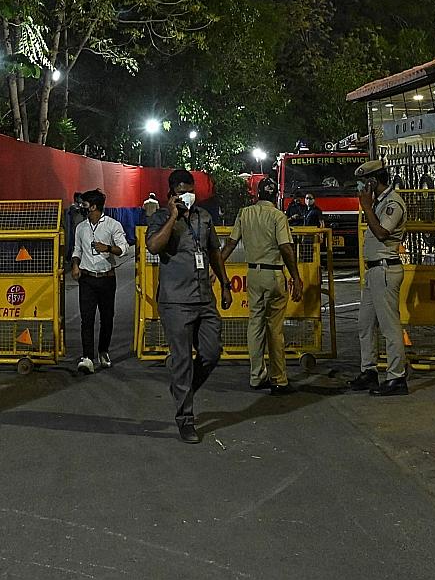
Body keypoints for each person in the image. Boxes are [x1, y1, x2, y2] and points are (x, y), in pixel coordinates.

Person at [145, 168, 231, 443]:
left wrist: (226, 284)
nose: (188, 196)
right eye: (182, 192)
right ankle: (185, 419)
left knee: (212, 350)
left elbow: (214, 252)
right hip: (175, 302)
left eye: (191, 191)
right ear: (171, 193)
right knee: (182, 360)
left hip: (204, 297)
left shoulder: (203, 218)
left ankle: (184, 389)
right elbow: (154, 247)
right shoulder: (160, 217)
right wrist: (172, 216)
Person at [221, 176, 304, 395]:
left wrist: (217, 268)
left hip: (253, 274)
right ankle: (279, 378)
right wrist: (295, 276)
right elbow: (286, 248)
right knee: (274, 329)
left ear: (257, 194)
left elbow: (230, 243)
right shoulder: (278, 216)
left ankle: (257, 375)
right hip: (274, 274)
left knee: (255, 324)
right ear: (274, 195)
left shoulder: (244, 214)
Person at [349, 159, 409, 396]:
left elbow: (383, 233)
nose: (362, 188)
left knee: (389, 327)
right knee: (365, 324)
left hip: (385, 271)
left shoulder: (393, 203)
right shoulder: (380, 202)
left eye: (365, 183)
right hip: (373, 272)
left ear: (374, 181)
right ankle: (369, 371)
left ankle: (396, 377)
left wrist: (366, 207)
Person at [70, 189, 128, 373]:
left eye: (85, 203)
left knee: (107, 318)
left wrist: (108, 248)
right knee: (86, 319)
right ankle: (87, 357)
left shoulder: (112, 225)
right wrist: (75, 264)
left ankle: (103, 351)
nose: (82, 206)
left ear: (93, 206)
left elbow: (124, 249)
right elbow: (77, 249)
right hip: (87, 279)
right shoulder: (81, 227)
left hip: (106, 279)